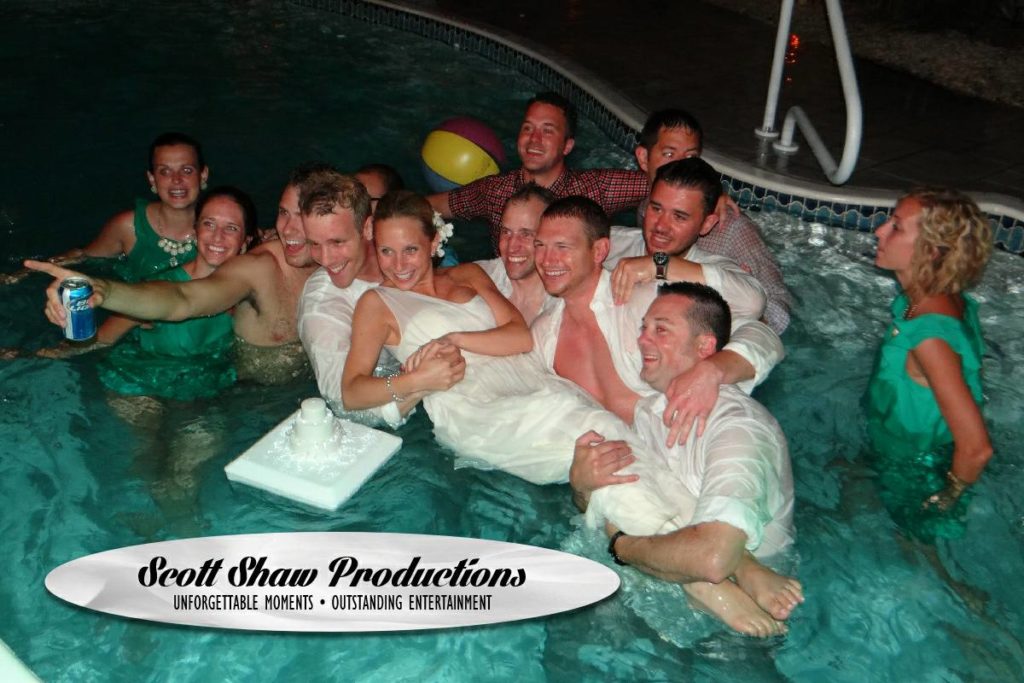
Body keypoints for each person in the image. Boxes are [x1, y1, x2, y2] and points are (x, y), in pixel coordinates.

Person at [341, 190, 649, 484]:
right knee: (601, 437)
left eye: (410, 250)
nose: (398, 265)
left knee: (612, 436)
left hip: (532, 380)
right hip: (476, 409)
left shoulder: (469, 275)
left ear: (433, 241)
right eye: (386, 252)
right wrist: (417, 382)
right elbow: (352, 392)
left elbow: (521, 338)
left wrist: (455, 339)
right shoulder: (376, 304)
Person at [570, 282, 801, 637]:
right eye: (644, 328)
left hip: (739, 621)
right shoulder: (650, 412)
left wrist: (621, 545)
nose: (643, 340)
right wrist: (582, 486)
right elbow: (624, 495)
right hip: (674, 583)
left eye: (660, 330)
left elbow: (711, 559)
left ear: (705, 347)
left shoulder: (741, 428)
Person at [28, 164, 330, 385]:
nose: (288, 229)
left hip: (209, 385)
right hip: (152, 380)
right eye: (283, 213)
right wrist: (103, 291)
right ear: (195, 231)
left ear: (246, 240)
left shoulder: (327, 261)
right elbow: (178, 299)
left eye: (232, 229)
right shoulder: (247, 271)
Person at [530, 195, 783, 444]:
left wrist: (712, 370)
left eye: (562, 247)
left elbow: (760, 328)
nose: (547, 260)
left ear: (600, 251)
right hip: (622, 465)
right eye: (540, 246)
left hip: (691, 445)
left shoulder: (643, 300)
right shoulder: (544, 334)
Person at [865, 188, 993, 540]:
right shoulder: (939, 299)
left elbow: (977, 448)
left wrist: (943, 499)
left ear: (932, 251)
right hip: (900, 448)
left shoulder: (929, 337)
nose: (879, 231)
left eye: (896, 227)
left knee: (913, 550)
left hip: (916, 469)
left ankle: (962, 592)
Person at [632, 109, 791, 333]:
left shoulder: (730, 227)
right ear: (643, 158)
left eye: (690, 157)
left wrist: (735, 309)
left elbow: (779, 308)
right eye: (669, 154)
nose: (681, 164)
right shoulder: (644, 209)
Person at [427, 92, 649, 246]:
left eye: (547, 131)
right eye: (528, 128)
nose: (534, 139)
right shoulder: (495, 192)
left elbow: (667, 184)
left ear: (568, 145)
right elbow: (430, 206)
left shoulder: (595, 190)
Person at [3, 132, 209, 285]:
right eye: (165, 171)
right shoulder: (129, 227)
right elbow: (84, 256)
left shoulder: (221, 228)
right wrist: (19, 276)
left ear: (203, 175)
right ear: (152, 179)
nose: (176, 181)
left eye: (187, 170)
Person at [474, 184, 555, 324]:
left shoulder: (563, 302)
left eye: (526, 234)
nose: (512, 246)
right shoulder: (480, 276)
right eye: (506, 232)